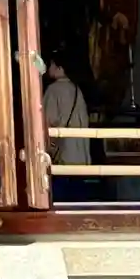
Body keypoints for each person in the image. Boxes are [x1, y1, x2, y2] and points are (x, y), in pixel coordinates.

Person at [43, 50, 91, 202]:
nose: (49, 68)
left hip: (62, 157)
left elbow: (48, 121)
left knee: (60, 201)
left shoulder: (53, 91)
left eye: (52, 64)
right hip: (80, 157)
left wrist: (48, 149)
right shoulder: (77, 90)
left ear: (60, 68)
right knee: (78, 202)